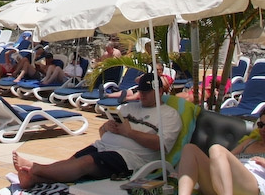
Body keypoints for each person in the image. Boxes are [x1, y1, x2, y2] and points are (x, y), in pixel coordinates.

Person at [12, 73, 182, 188]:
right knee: (72, 162)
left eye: (147, 92)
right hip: (103, 146)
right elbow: (102, 133)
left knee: (86, 162)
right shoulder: (129, 107)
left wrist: (129, 133)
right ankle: (33, 179)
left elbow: (161, 145)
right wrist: (106, 127)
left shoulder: (169, 115)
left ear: (160, 91)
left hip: (129, 158)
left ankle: (35, 168)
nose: (142, 95)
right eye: (141, 91)